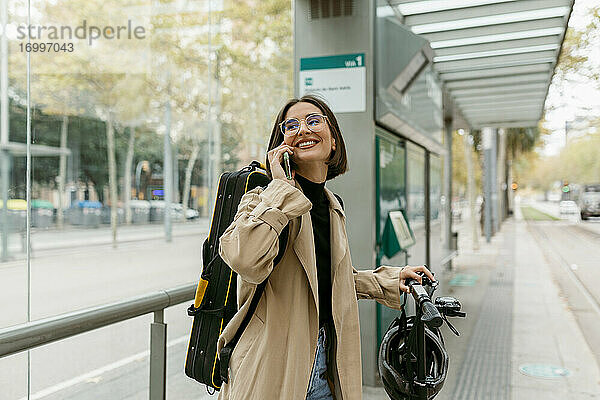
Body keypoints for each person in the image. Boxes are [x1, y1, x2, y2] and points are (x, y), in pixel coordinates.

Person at [216, 94, 435, 400]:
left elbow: (328, 281)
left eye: (313, 121)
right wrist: (280, 188)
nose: (303, 129)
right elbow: (244, 259)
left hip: (324, 372)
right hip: (272, 371)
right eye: (291, 125)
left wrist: (388, 279)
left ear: (333, 142)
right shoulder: (261, 199)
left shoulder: (333, 206)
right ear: (281, 146)